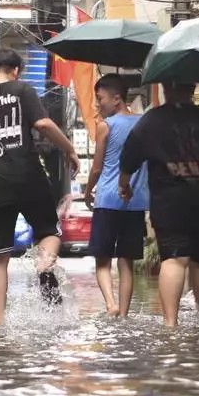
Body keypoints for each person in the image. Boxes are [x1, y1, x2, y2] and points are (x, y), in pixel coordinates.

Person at [0, 48, 81, 325]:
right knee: (48, 231)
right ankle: (44, 262)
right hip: (28, 177)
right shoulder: (22, 90)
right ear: (16, 71)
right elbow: (43, 123)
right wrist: (69, 150)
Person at [119, 82, 199, 327]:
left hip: (170, 202)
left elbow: (129, 157)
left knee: (174, 259)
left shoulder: (151, 121)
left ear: (165, 87)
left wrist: (124, 183)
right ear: (192, 86)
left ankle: (170, 324)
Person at [83, 74, 149, 317]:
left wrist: (88, 191)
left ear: (117, 97)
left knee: (103, 260)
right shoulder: (144, 123)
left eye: (100, 98)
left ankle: (111, 305)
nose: (98, 104)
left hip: (108, 200)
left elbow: (98, 167)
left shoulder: (106, 126)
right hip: (135, 203)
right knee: (126, 261)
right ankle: (124, 313)